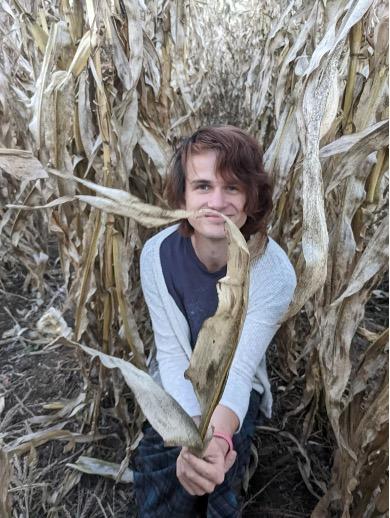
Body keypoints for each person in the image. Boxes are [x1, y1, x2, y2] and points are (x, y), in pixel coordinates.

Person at [133, 125, 296, 517]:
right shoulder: (157, 256)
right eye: (203, 186)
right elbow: (172, 356)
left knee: (220, 473)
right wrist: (191, 434)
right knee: (163, 461)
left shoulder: (273, 273)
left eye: (233, 188)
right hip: (177, 375)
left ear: (252, 196)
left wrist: (217, 441)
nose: (217, 202)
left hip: (233, 385)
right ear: (184, 194)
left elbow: (238, 372)